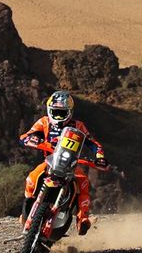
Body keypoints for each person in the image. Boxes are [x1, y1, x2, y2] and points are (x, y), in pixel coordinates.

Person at [19, 90, 108, 234]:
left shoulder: (78, 126)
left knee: (83, 182)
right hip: (49, 161)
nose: (58, 116)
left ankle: (82, 218)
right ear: (49, 110)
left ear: (70, 112)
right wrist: (34, 139)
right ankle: (26, 211)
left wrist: (99, 157)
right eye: (55, 112)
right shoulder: (43, 122)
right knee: (31, 179)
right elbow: (26, 136)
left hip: (71, 165)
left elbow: (93, 143)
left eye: (62, 113)